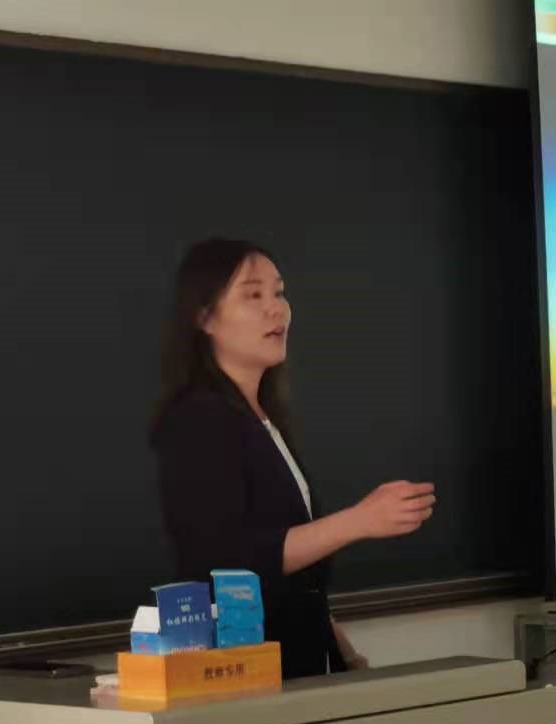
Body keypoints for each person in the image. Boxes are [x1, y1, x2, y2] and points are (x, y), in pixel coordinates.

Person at [150, 239, 435, 679]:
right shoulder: (199, 419)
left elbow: (298, 581)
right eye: (253, 294)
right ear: (204, 317)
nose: (276, 309)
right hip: (249, 675)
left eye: (279, 292)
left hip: (304, 667)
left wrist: (344, 656)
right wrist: (360, 520)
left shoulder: (261, 417)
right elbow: (229, 559)